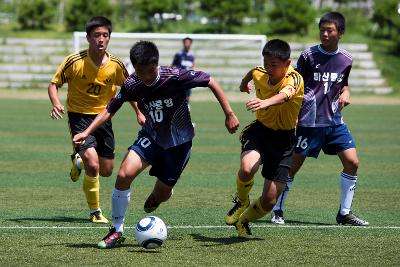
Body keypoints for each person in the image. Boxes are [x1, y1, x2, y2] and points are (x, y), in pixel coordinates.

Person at [72, 40, 240, 248]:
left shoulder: (175, 76)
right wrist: (87, 132)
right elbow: (109, 109)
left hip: (179, 145)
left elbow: (211, 81)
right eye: (141, 72)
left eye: (150, 70)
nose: (147, 76)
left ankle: (164, 192)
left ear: (156, 64)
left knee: (158, 197)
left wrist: (229, 114)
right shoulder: (131, 84)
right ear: (135, 68)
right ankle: (116, 230)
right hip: (150, 137)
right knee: (124, 174)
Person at [270, 12, 369, 226]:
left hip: (334, 121)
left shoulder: (346, 59)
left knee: (353, 163)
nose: (324, 34)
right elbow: (295, 82)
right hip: (309, 122)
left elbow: (343, 84)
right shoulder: (308, 56)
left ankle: (344, 213)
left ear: (340, 33)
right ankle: (277, 209)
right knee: (292, 167)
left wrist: (346, 93)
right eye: (322, 30)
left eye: (329, 30)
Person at [47, 16, 142, 224]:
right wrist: (56, 103)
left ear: (109, 38)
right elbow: (54, 84)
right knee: (93, 163)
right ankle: (95, 212)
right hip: (79, 117)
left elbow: (129, 90)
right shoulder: (75, 61)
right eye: (97, 35)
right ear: (88, 37)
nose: (101, 39)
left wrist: (138, 112)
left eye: (105, 35)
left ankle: (78, 160)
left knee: (107, 170)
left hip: (103, 118)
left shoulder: (116, 65)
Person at [224, 39, 304, 238]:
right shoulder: (260, 72)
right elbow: (253, 72)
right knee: (247, 167)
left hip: (284, 141)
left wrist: (265, 102)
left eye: (274, 65)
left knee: (269, 201)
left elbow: (286, 95)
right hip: (260, 131)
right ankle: (241, 201)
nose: (269, 68)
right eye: (266, 63)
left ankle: (244, 220)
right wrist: (244, 85)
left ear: (287, 63)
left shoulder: (295, 79)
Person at [172, 37, 196, 102]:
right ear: (183, 43)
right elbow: (173, 65)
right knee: (178, 96)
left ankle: (187, 109)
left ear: (191, 44)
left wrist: (194, 74)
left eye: (189, 42)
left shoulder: (192, 55)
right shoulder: (178, 54)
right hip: (180, 78)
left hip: (188, 78)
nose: (187, 44)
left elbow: (193, 65)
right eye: (186, 42)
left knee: (188, 96)